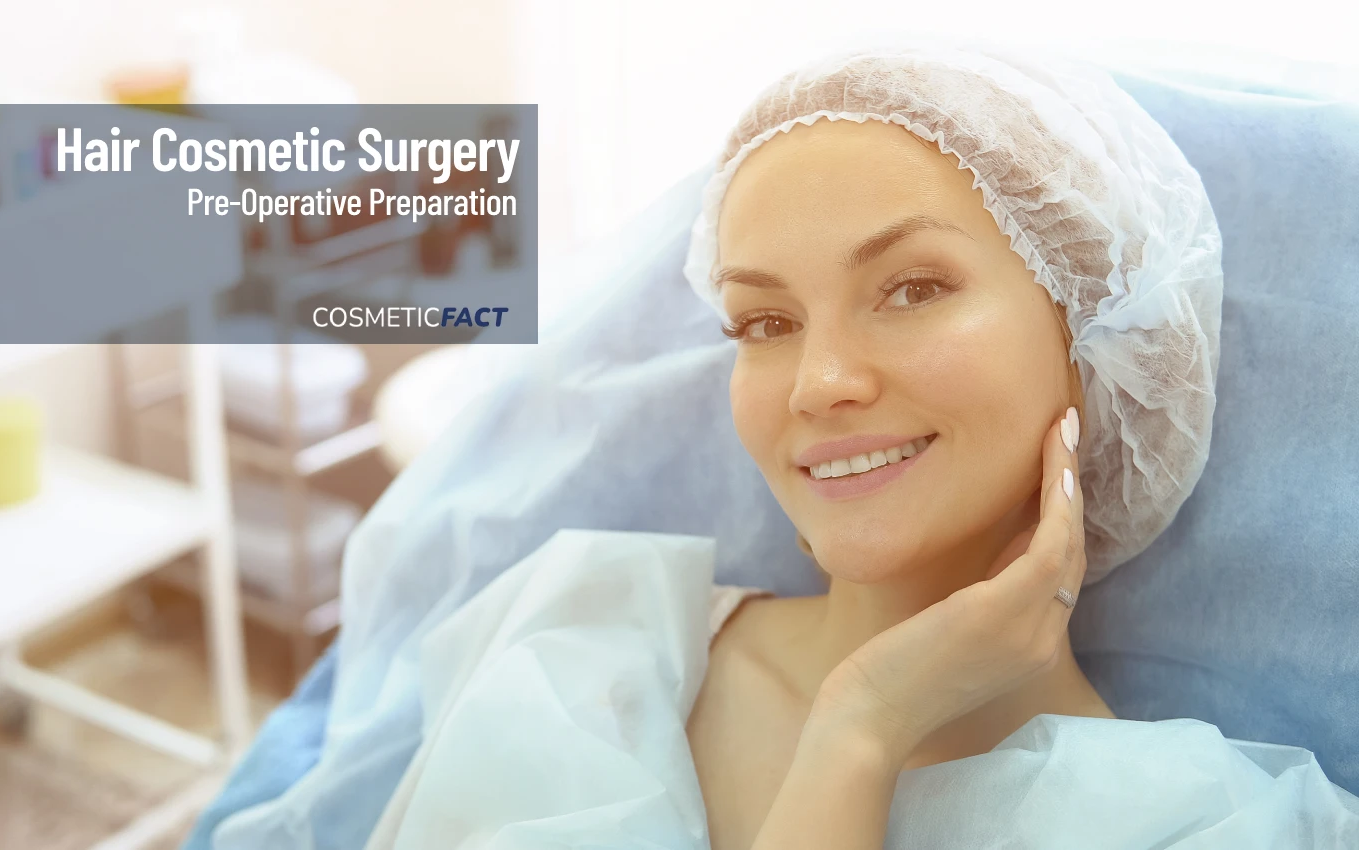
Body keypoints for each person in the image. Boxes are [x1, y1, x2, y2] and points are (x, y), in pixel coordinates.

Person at [286, 41, 1359, 850]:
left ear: (1104, 333)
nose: (819, 381)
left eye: (912, 288)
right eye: (764, 321)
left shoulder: (1205, 826)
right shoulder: (578, 637)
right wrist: (861, 720)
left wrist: (864, 728)